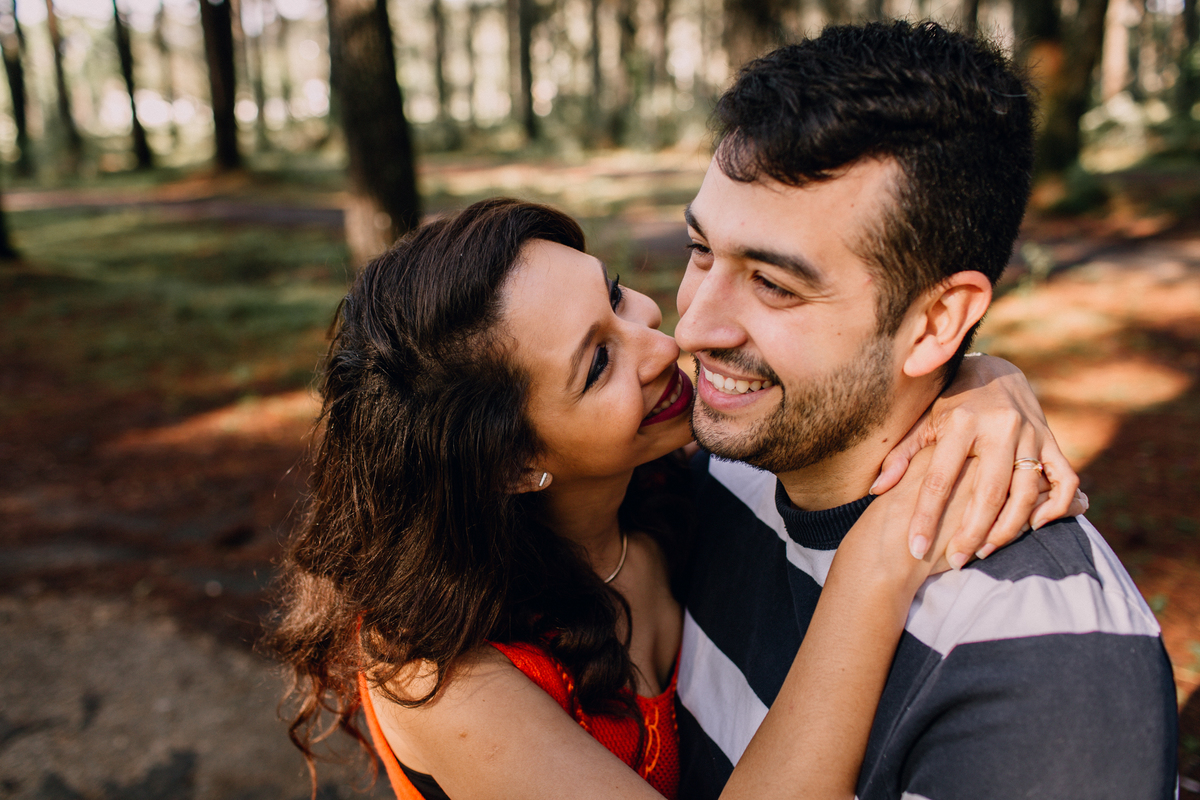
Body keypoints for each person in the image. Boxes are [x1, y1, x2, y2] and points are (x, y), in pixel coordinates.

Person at [270, 196, 1082, 800]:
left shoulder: (668, 486)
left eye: (617, 295)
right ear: (513, 465)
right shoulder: (437, 670)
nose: (669, 343)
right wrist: (876, 565)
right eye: (598, 365)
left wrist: (981, 377)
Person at [673, 20, 1178, 800]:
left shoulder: (1042, 661)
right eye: (700, 252)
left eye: (773, 284)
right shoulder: (712, 469)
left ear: (937, 323)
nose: (694, 327)